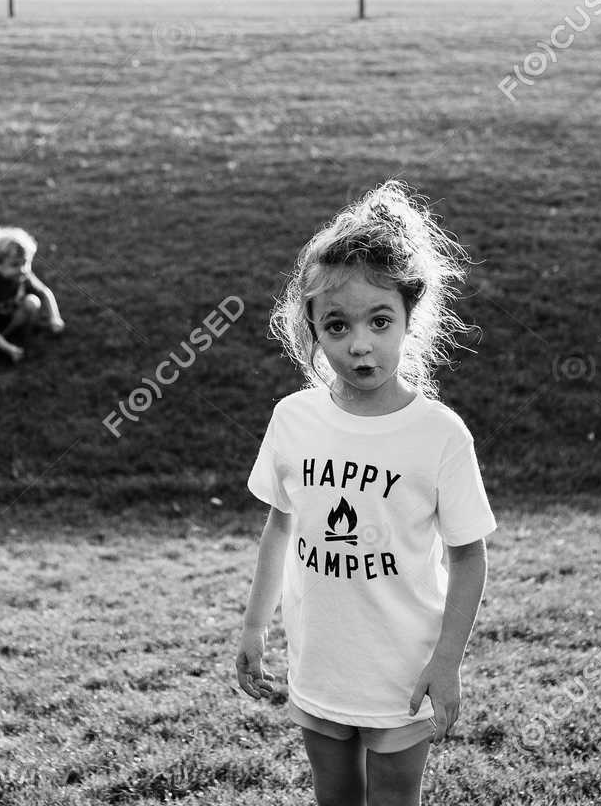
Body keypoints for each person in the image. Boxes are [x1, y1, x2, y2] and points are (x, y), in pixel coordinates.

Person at [237, 182, 494, 806]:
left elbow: (467, 556)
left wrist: (447, 661)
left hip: (403, 667)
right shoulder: (294, 418)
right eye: (337, 325)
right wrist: (253, 624)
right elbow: (281, 525)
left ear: (409, 319)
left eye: (380, 322)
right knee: (335, 797)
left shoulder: (437, 433)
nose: (359, 344)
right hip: (322, 657)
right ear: (312, 331)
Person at [0, 225, 64, 363]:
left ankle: (20, 334)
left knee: (32, 301)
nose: (22, 269)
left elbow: (45, 293)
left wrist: (55, 318)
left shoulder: (24, 276)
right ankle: (8, 348)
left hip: (9, 319)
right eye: (15, 265)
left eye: (25, 263)